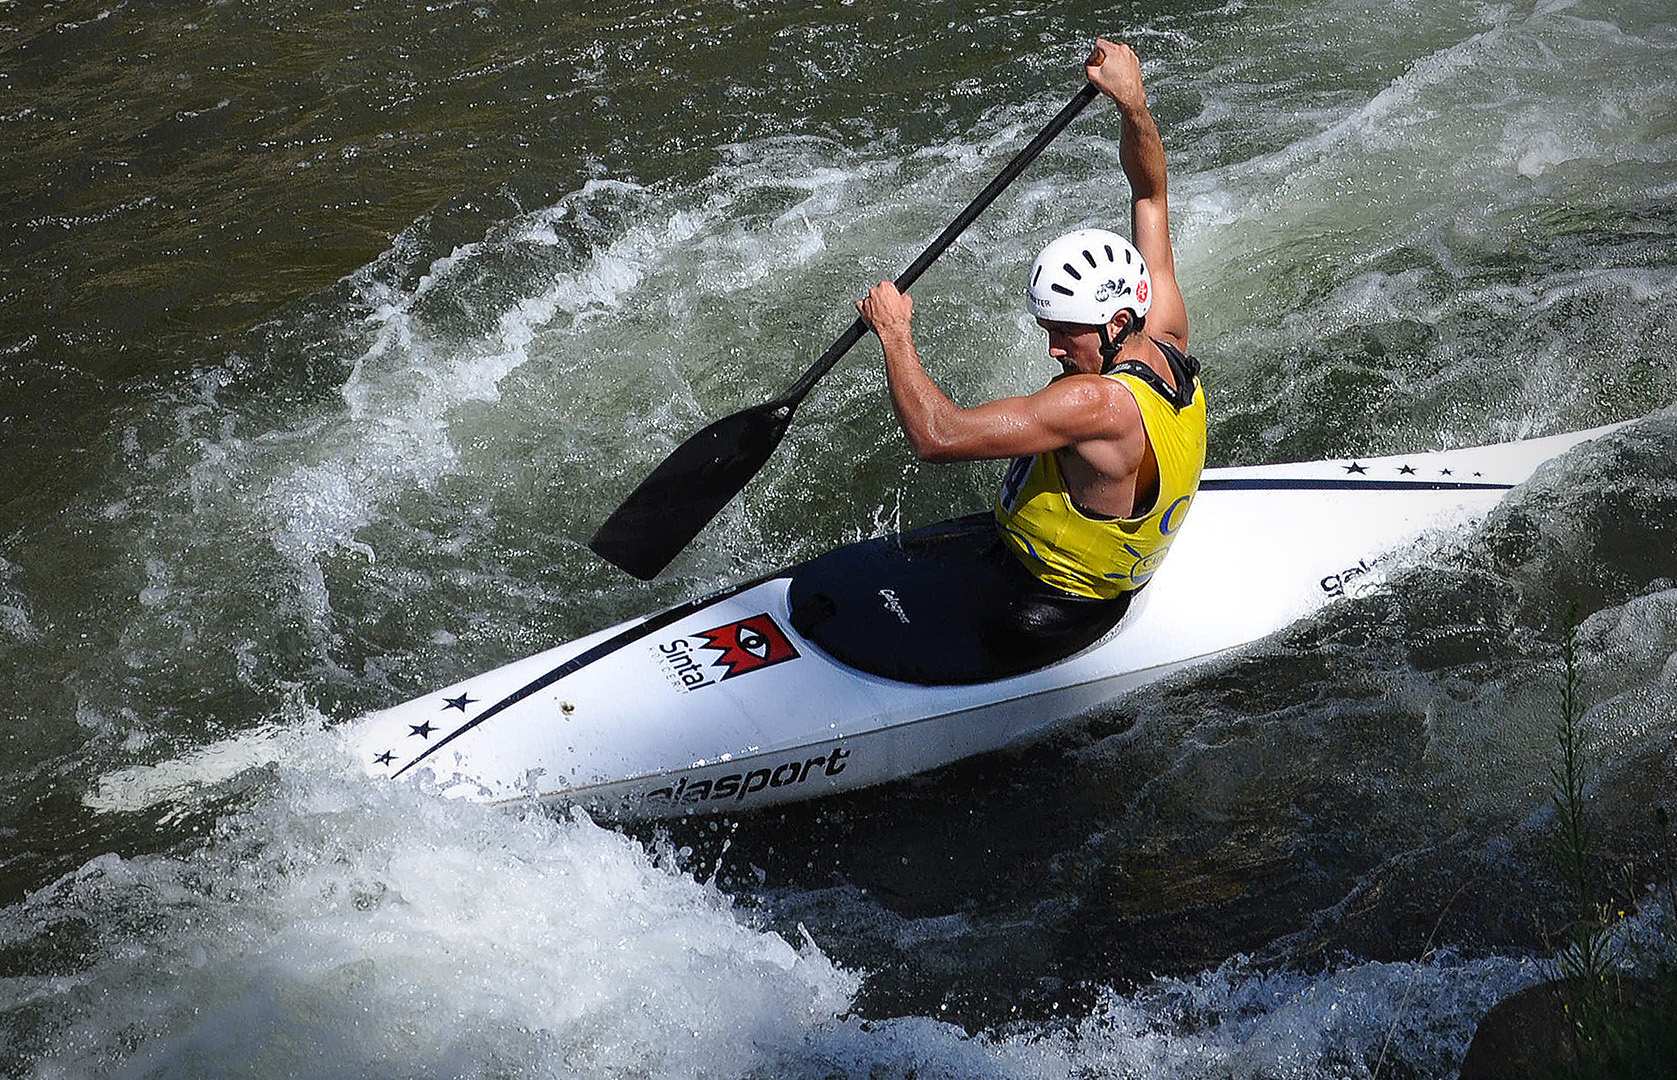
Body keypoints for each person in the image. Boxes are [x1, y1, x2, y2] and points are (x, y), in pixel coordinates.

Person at [853, 38, 1207, 659]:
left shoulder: (1097, 406)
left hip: (1045, 602)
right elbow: (1150, 195)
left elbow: (939, 437)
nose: (1054, 350)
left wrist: (895, 333)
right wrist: (1133, 106)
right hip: (1065, 565)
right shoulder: (1166, 331)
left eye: (1065, 332)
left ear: (1116, 321)